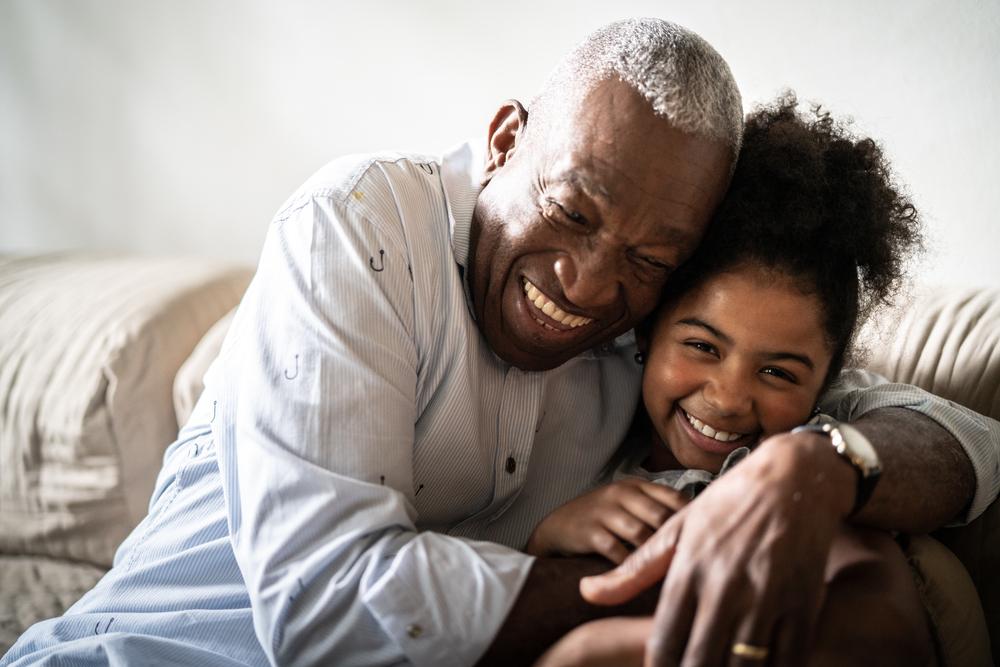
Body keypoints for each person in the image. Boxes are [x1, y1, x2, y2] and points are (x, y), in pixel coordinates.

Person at [2, 18, 996, 667]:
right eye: (571, 212)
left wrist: (818, 468)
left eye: (652, 254)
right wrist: (658, 576)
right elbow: (328, 612)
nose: (592, 284)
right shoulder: (358, 227)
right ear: (505, 139)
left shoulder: (660, 343)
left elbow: (964, 437)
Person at [529, 95, 932, 666]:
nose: (727, 399)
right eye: (701, 346)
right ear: (647, 331)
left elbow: (886, 628)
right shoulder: (580, 448)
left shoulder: (802, 481)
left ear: (827, 383)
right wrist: (545, 540)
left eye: (776, 371)